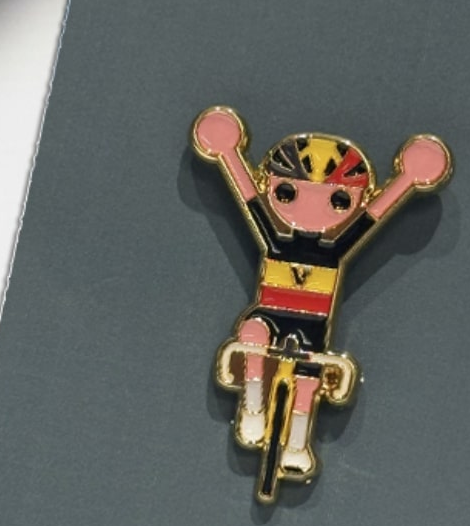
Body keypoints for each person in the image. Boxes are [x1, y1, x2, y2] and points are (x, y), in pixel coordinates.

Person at [191, 105, 452, 484]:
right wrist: (227, 154)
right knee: (253, 332)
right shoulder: (275, 240)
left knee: (307, 380)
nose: (312, 207)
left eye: (338, 201)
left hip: (312, 325)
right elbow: (248, 196)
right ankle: (253, 404)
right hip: (271, 313)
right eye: (288, 193)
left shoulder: (334, 250)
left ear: (356, 201)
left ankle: (297, 444)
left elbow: (375, 215)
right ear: (271, 187)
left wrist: (409, 180)